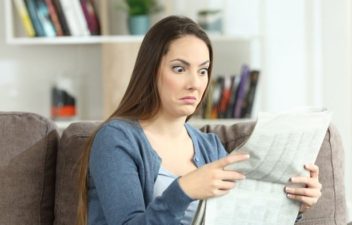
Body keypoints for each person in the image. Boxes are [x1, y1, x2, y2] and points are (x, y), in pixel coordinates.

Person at [76, 15, 322, 225]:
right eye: (179, 69)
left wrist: (292, 205)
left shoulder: (209, 146)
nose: (195, 83)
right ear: (151, 72)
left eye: (203, 71)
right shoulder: (116, 139)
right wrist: (184, 190)